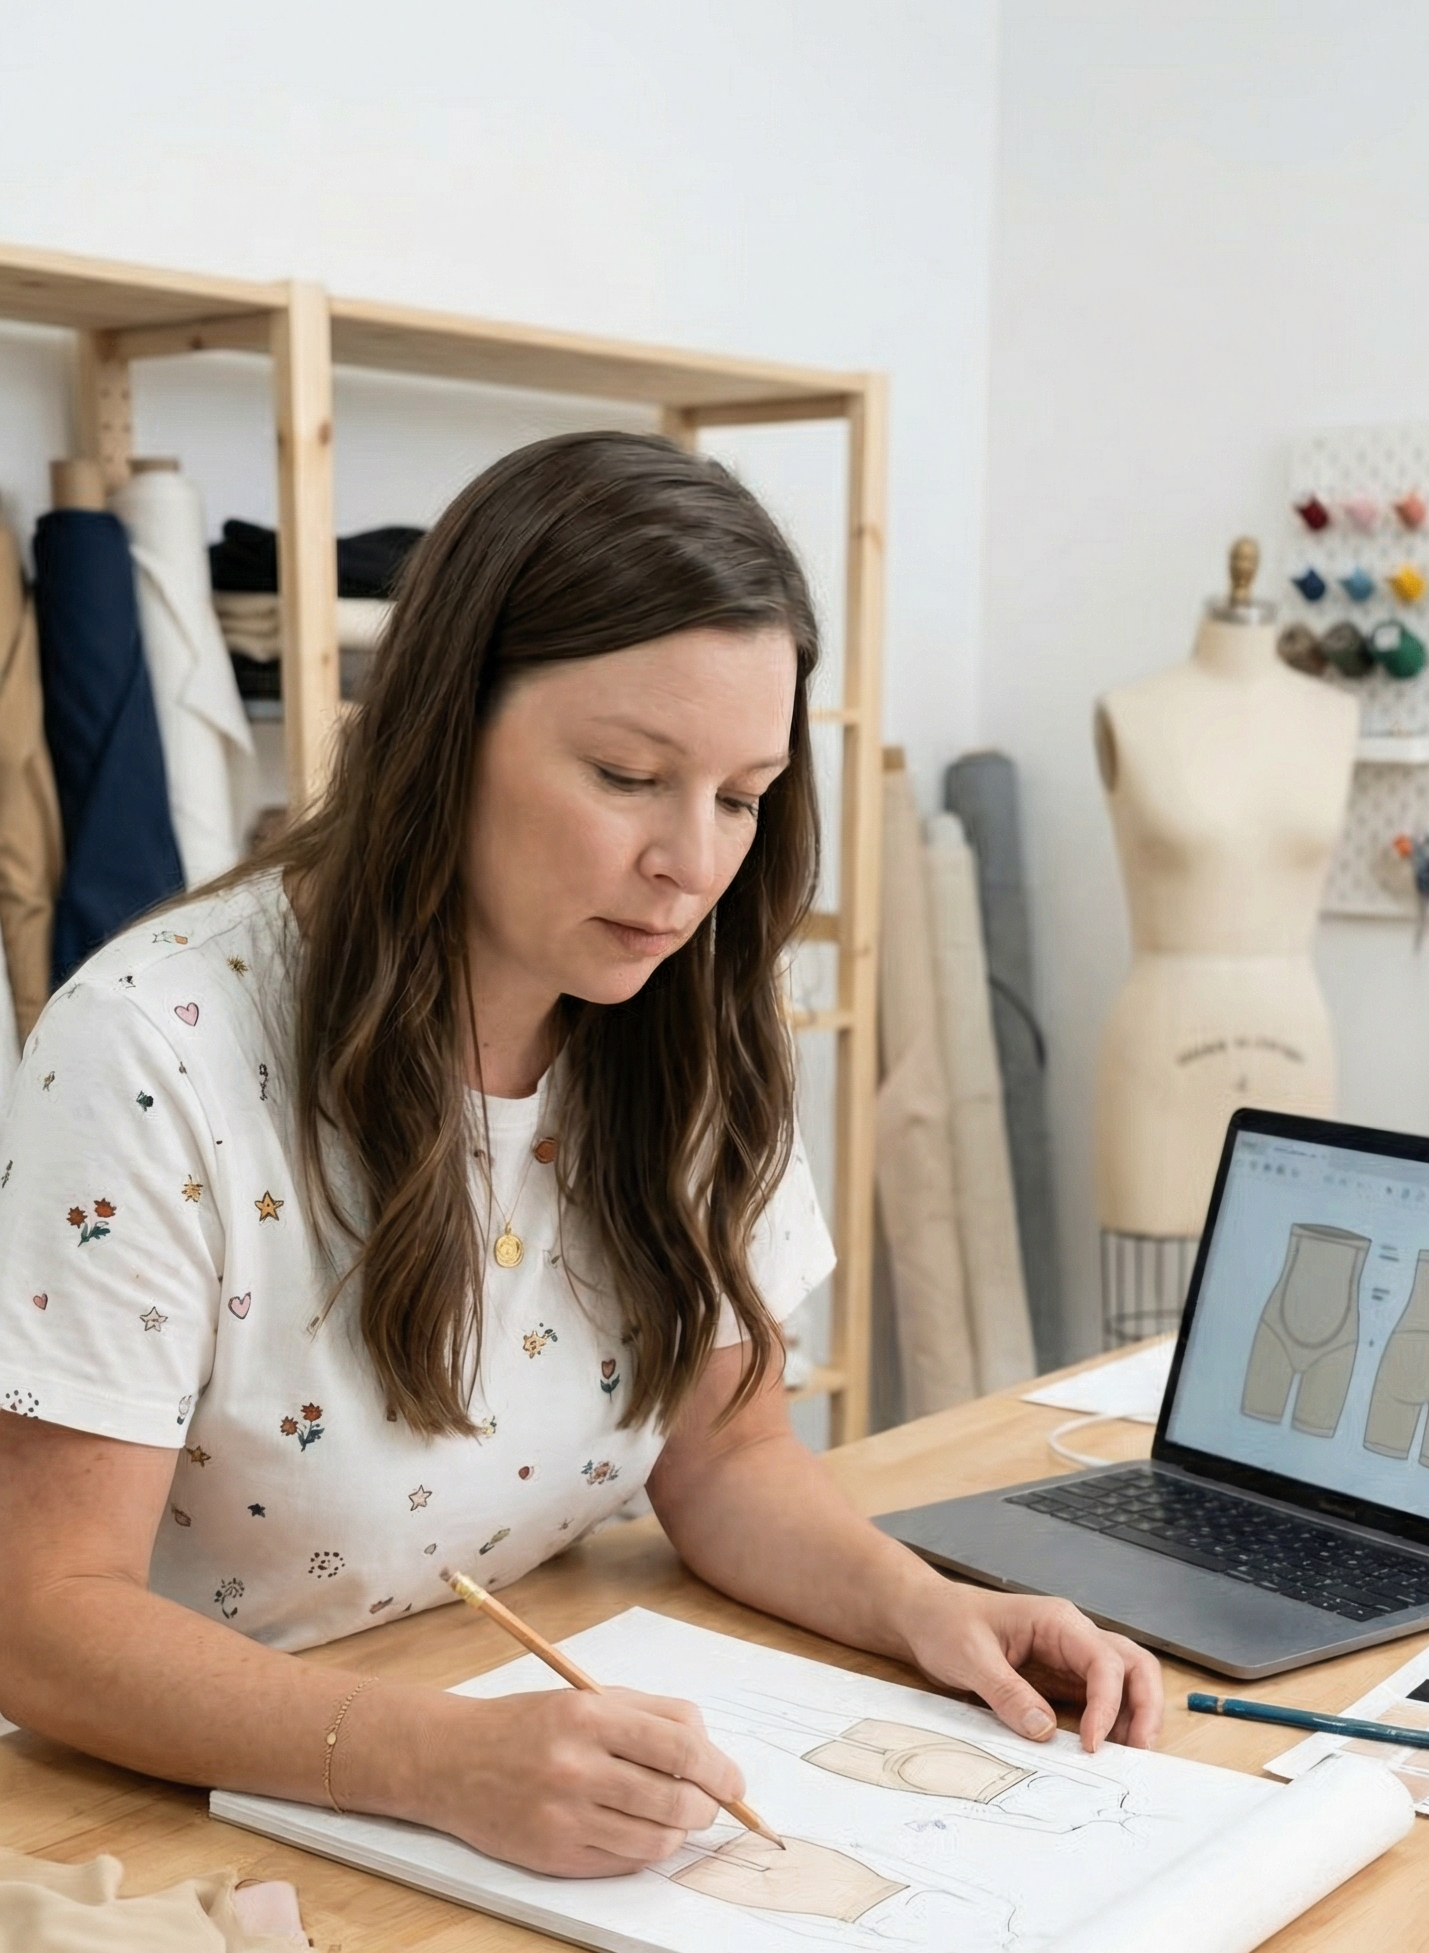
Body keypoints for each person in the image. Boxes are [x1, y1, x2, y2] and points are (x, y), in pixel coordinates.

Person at [0, 433, 1160, 1878]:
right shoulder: (153, 1047)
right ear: (445, 726)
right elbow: (44, 1620)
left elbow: (726, 1455)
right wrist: (437, 1763)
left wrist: (923, 1605)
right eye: (628, 774)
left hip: (497, 1763)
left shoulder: (688, 1029)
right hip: (179, 1815)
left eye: (741, 797)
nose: (691, 863)